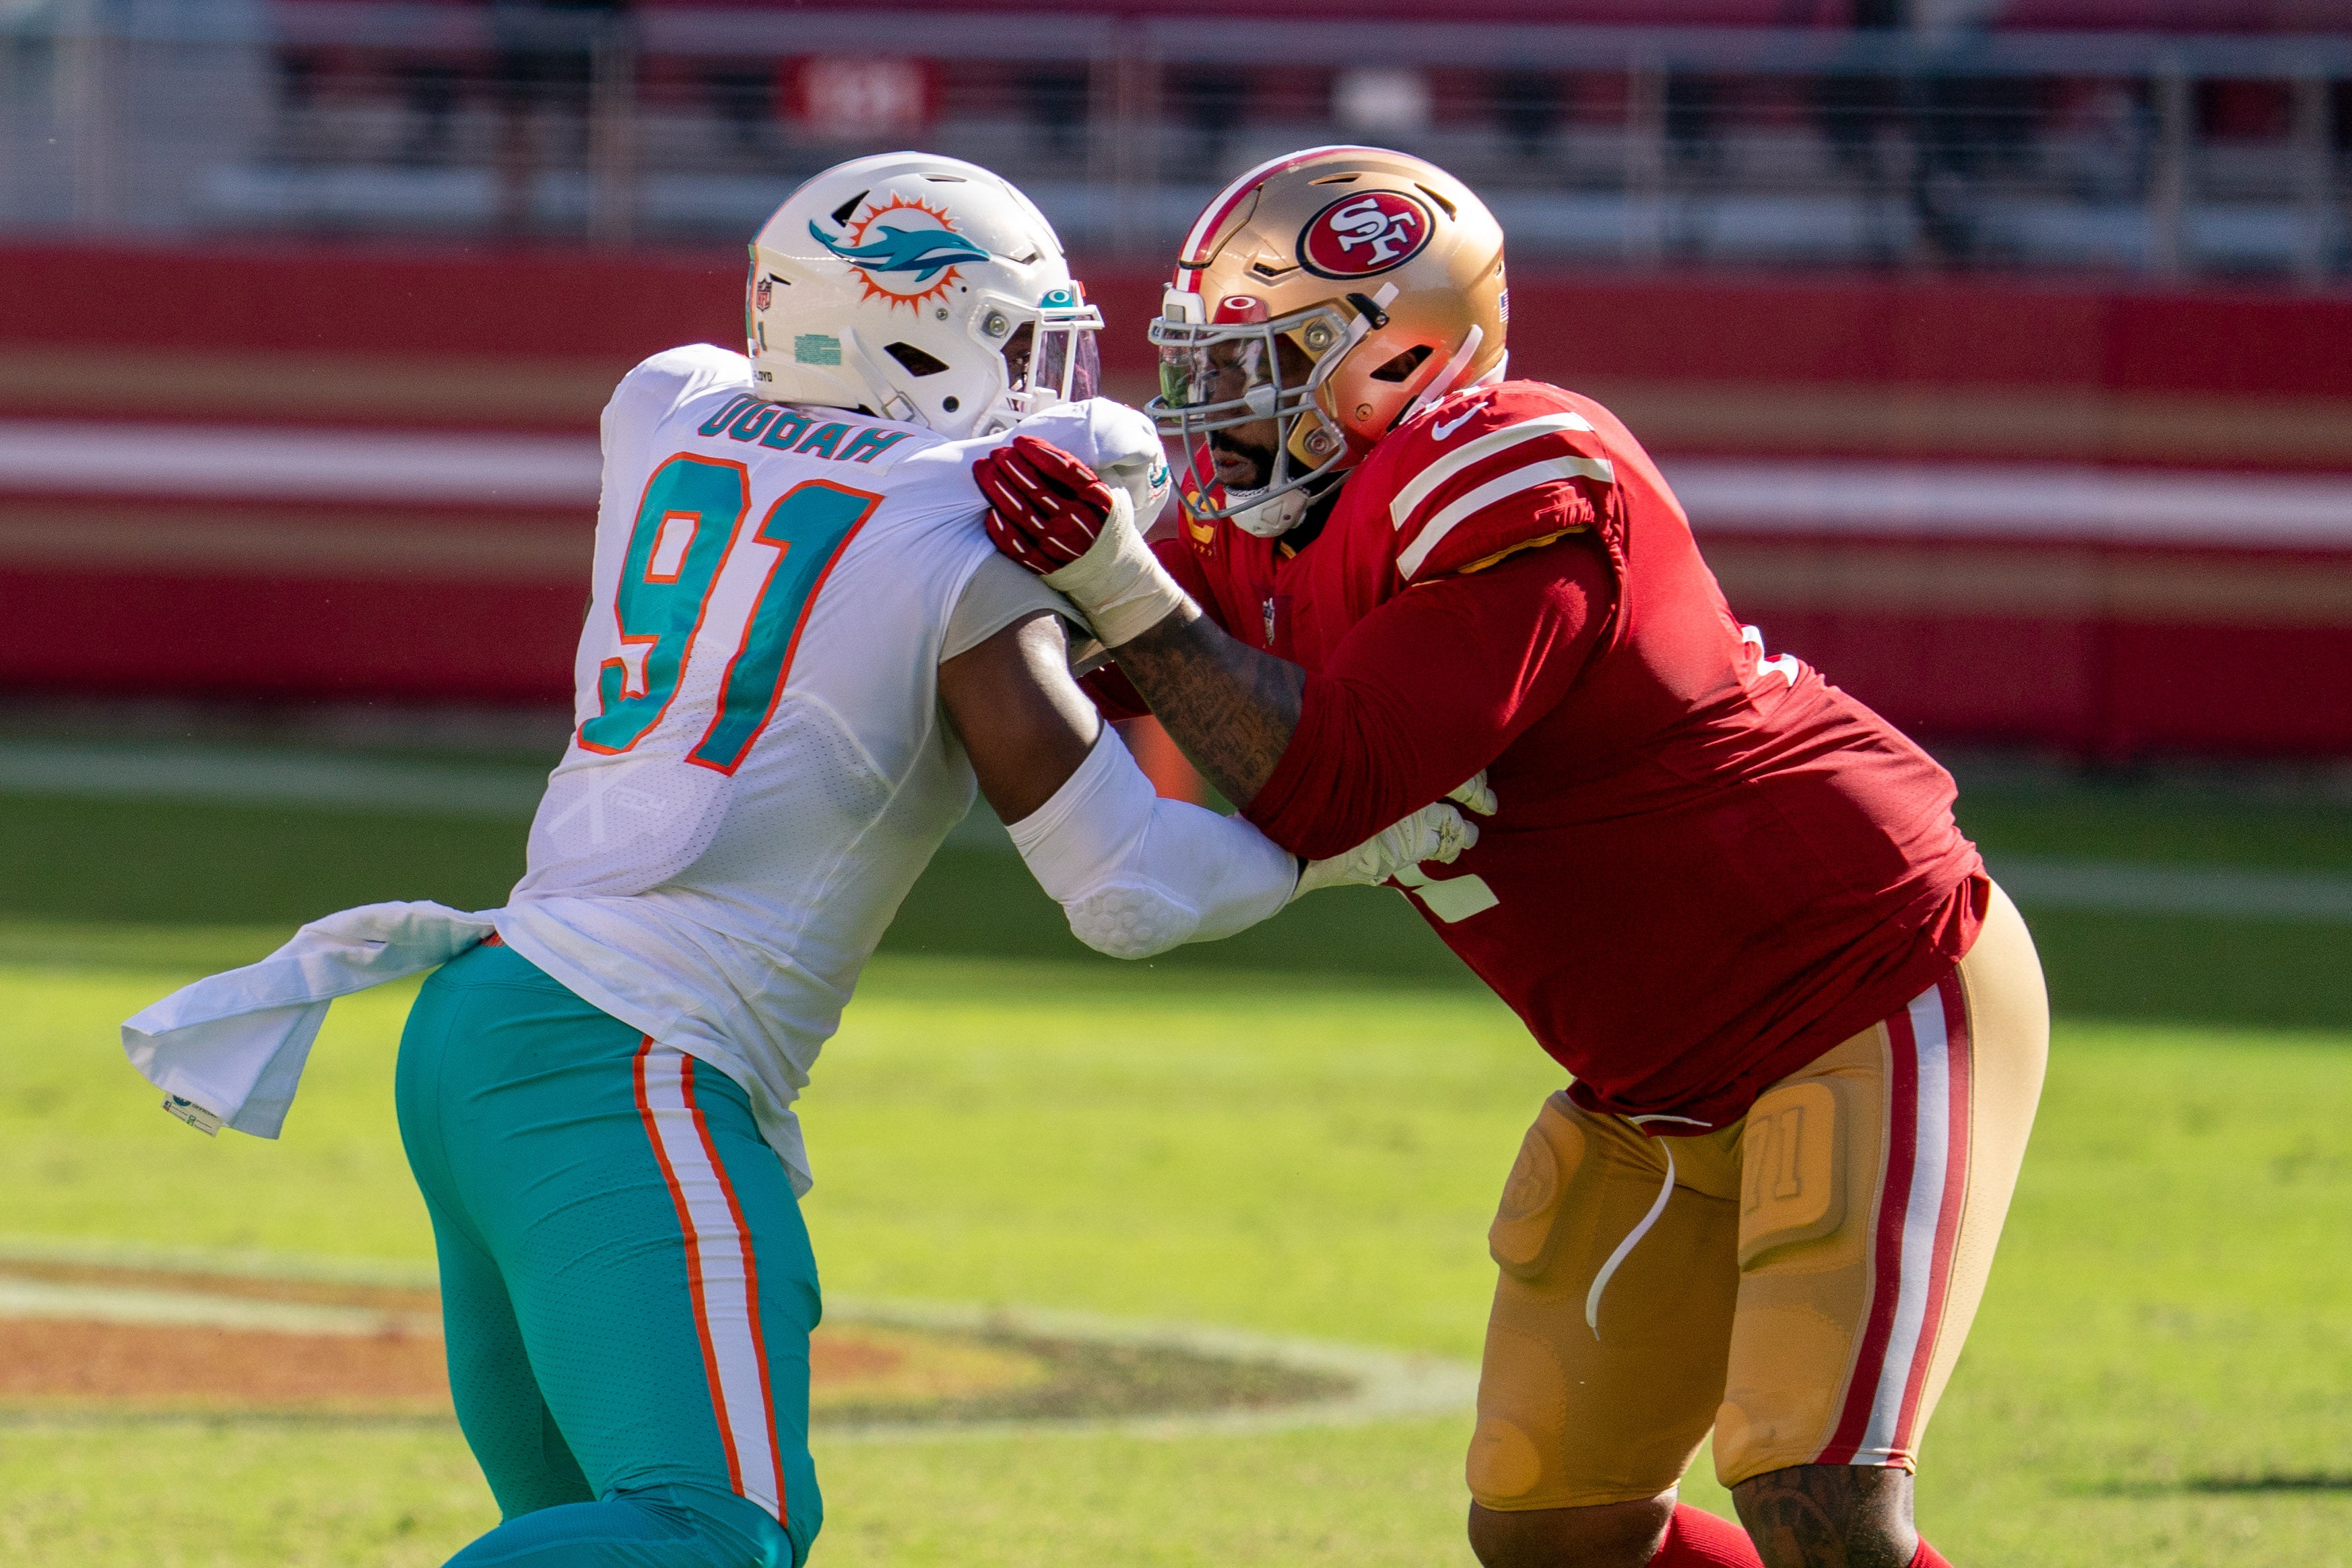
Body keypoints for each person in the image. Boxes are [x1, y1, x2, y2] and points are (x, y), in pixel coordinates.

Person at [121, 152, 1472, 1568]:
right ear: (917, 329)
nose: (1034, 376)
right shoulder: (966, 526)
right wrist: (1348, 851)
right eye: (1011, 337)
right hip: (631, 1057)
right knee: (712, 1536)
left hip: (484, 1027)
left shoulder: (670, 408)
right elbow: (1126, 892)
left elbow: (801, 447)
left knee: (618, 1532)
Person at [972, 145, 2050, 1568]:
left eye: (1265, 358)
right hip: (1651, 1071)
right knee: (1556, 1529)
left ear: (1406, 350)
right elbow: (1107, 716)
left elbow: (1325, 783)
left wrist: (1118, 586)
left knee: (1819, 1496)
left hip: (1858, 982)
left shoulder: (1519, 468)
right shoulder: (1255, 535)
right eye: (1205, 361)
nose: (1215, 405)